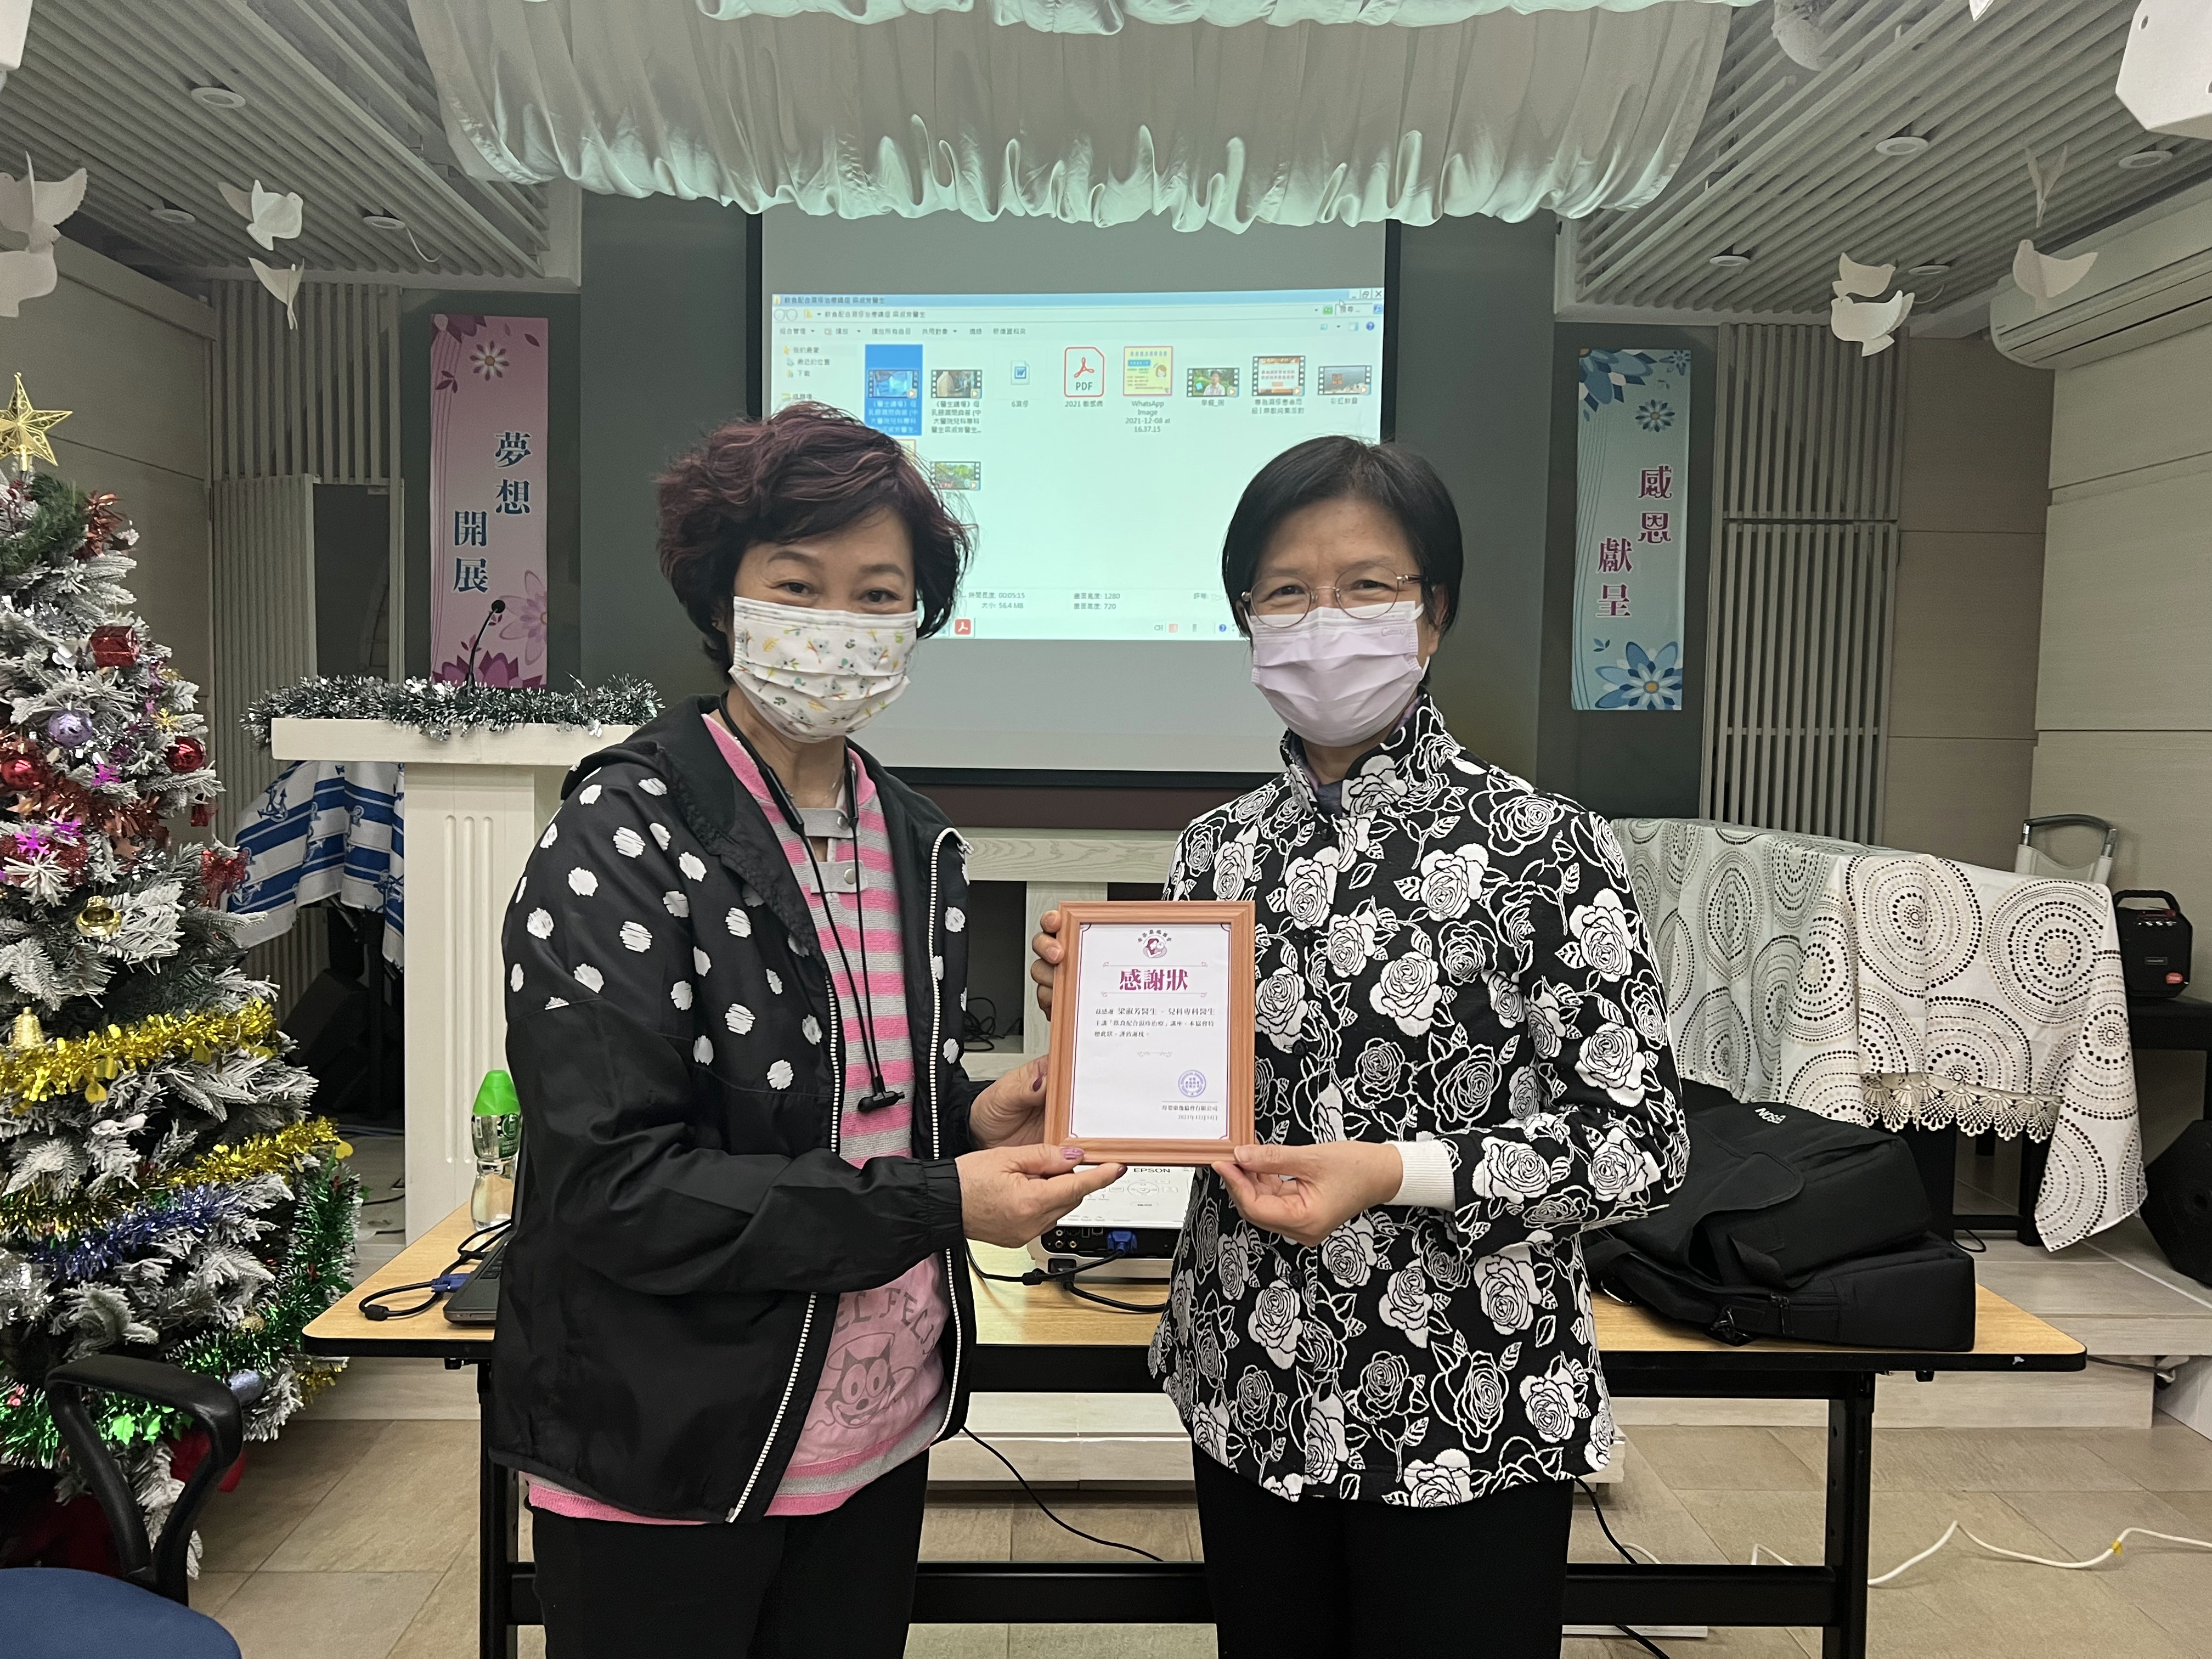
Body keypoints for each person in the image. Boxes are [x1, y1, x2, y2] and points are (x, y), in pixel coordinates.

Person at [1030, 436, 1689, 1658]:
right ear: (1247, 618)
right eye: (1286, 591)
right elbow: (1186, 1096)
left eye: (1368, 586)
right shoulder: (1214, 850)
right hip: (1252, 1380)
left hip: (1469, 1399)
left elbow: (1638, 1145)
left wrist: (1393, 1171)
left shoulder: (1545, 847)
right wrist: (1092, 1029)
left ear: (1432, 612)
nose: (1324, 621)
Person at [494, 401, 1124, 1658]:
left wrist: (977, 1120)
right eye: (798, 584)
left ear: (916, 619)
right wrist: (943, 1201)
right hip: (669, 1448)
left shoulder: (915, 838)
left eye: (878, 594)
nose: (839, 623)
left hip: (873, 1433)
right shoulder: (622, 834)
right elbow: (617, 1190)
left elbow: (865, 1103)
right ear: (723, 596)